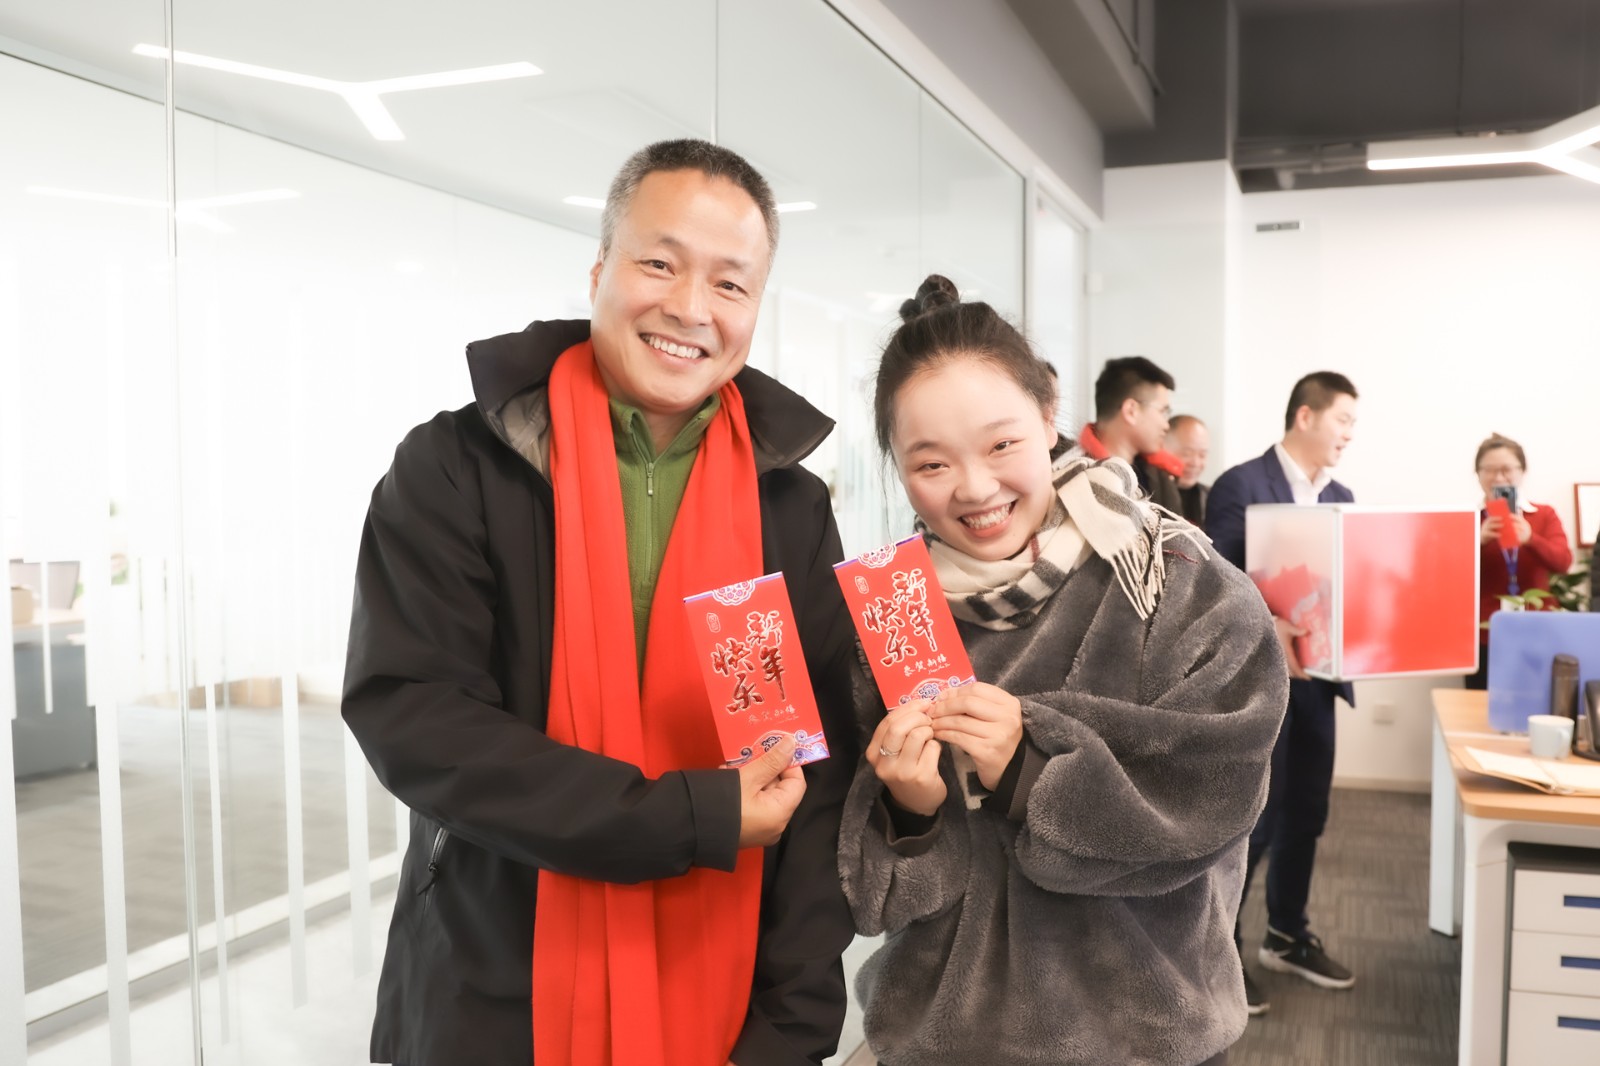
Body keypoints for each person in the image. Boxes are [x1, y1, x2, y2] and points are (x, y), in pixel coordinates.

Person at [342, 139, 859, 1066]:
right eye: (659, 263)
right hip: (493, 989)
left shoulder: (790, 504)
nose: (691, 308)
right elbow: (417, 717)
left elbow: (812, 777)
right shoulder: (457, 467)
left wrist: (792, 1027)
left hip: (728, 993)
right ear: (599, 270)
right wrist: (686, 818)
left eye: (730, 284)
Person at [838, 275, 1288, 1066]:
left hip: (1145, 1034)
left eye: (1002, 445)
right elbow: (881, 895)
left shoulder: (1175, 580)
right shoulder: (890, 613)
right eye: (931, 463)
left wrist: (1030, 769)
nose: (976, 488)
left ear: (1048, 414)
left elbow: (1213, 800)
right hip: (945, 1038)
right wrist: (912, 812)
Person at [1204, 371, 1360, 1016]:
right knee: (1256, 822)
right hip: (1259, 683)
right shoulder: (1241, 485)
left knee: (1307, 815)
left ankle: (1287, 935)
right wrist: (1269, 622)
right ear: (1305, 416)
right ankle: (1221, 951)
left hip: (1320, 683)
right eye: (1343, 419)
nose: (1350, 433)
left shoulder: (1343, 496)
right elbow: (1212, 584)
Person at [1466, 433, 1573, 689]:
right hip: (1485, 634)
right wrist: (1477, 541)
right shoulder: (1468, 519)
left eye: (1506, 469)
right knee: (1480, 704)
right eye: (1489, 470)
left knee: (1538, 701)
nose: (1498, 478)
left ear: (1522, 471)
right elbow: (1448, 575)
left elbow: (1563, 562)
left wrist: (1531, 539)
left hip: (1539, 630)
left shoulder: (1543, 514)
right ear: (1478, 475)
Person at [1071, 356, 1186, 514]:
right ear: (1131, 411)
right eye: (1163, 411)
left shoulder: (1161, 478)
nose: (1166, 425)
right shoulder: (1073, 474)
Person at [1167, 414, 1211, 526]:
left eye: (1202, 455)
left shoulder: (1212, 497)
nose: (1195, 463)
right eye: (1186, 454)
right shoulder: (1146, 495)